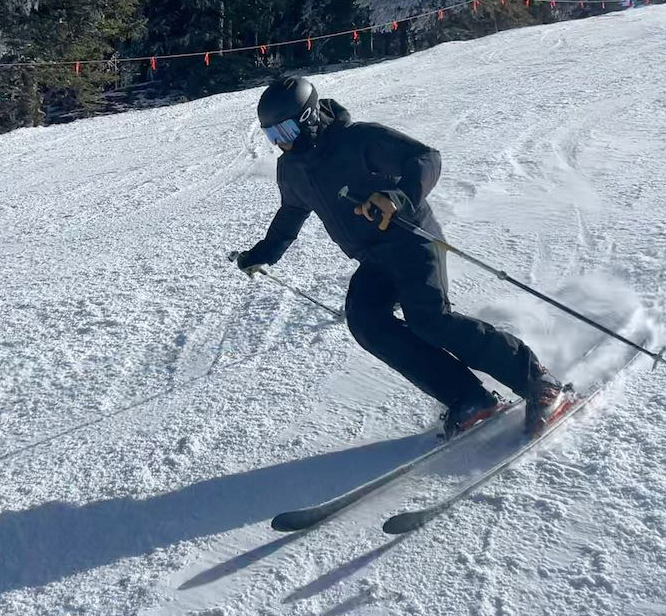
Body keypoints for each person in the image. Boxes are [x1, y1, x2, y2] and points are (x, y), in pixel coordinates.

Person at [233, 76, 566, 437]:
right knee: (366, 322)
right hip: (374, 258)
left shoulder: (357, 140)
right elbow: (290, 214)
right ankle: (469, 398)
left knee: (430, 320)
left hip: (412, 240)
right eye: (271, 136)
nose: (280, 142)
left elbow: (425, 158)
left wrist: (397, 198)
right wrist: (262, 254)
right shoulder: (293, 169)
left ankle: (537, 380)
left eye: (284, 130)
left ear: (309, 117)